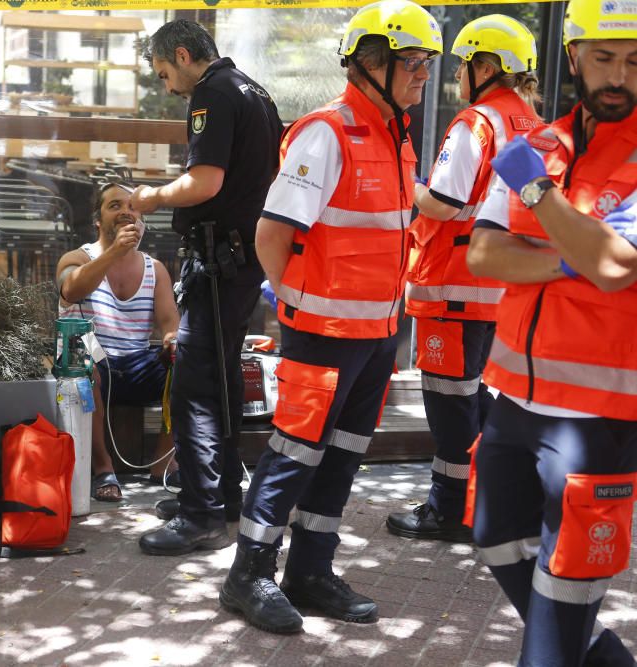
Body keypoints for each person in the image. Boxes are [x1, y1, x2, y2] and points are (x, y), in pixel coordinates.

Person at [219, 0, 443, 634]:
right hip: (322, 336)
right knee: (294, 453)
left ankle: (310, 571)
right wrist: (295, 308)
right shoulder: (327, 133)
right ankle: (249, 574)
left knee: (343, 456)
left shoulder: (394, 137)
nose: (425, 74)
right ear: (371, 64)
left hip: (376, 338)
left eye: (427, 62)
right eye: (414, 62)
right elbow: (271, 235)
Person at [465, 0, 637, 663]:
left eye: (633, 62)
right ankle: (601, 657)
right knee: (494, 537)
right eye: (603, 58)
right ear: (573, 59)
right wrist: (573, 259)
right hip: (513, 401)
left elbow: (617, 266)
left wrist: (538, 197)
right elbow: (483, 255)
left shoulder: (528, 165)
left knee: (557, 617)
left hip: (600, 420)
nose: (619, 75)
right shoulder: (536, 145)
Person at [129, 19, 283, 556]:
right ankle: (222, 496)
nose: (168, 86)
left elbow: (205, 181)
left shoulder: (212, 94)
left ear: (184, 55)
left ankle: (200, 517)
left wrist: (152, 197)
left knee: (197, 385)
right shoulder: (254, 91)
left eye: (166, 72)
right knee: (222, 378)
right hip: (244, 258)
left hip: (220, 262)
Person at [386, 15, 542, 543]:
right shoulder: (533, 125)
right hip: (499, 291)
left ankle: (449, 510)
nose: (455, 73)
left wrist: (405, 184)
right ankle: (491, 502)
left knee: (451, 405)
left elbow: (446, 202)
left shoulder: (475, 122)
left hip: (453, 287)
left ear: (487, 66)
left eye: (462, 63)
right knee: (478, 398)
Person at [57, 182, 180, 502]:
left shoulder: (156, 269)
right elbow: (71, 290)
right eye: (115, 206)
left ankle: (163, 463)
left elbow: (170, 324)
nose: (126, 211)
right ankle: (103, 469)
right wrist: (114, 251)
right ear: (98, 220)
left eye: (133, 207)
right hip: (96, 366)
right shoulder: (76, 257)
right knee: (76, 357)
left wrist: (172, 341)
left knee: (189, 358)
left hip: (136, 364)